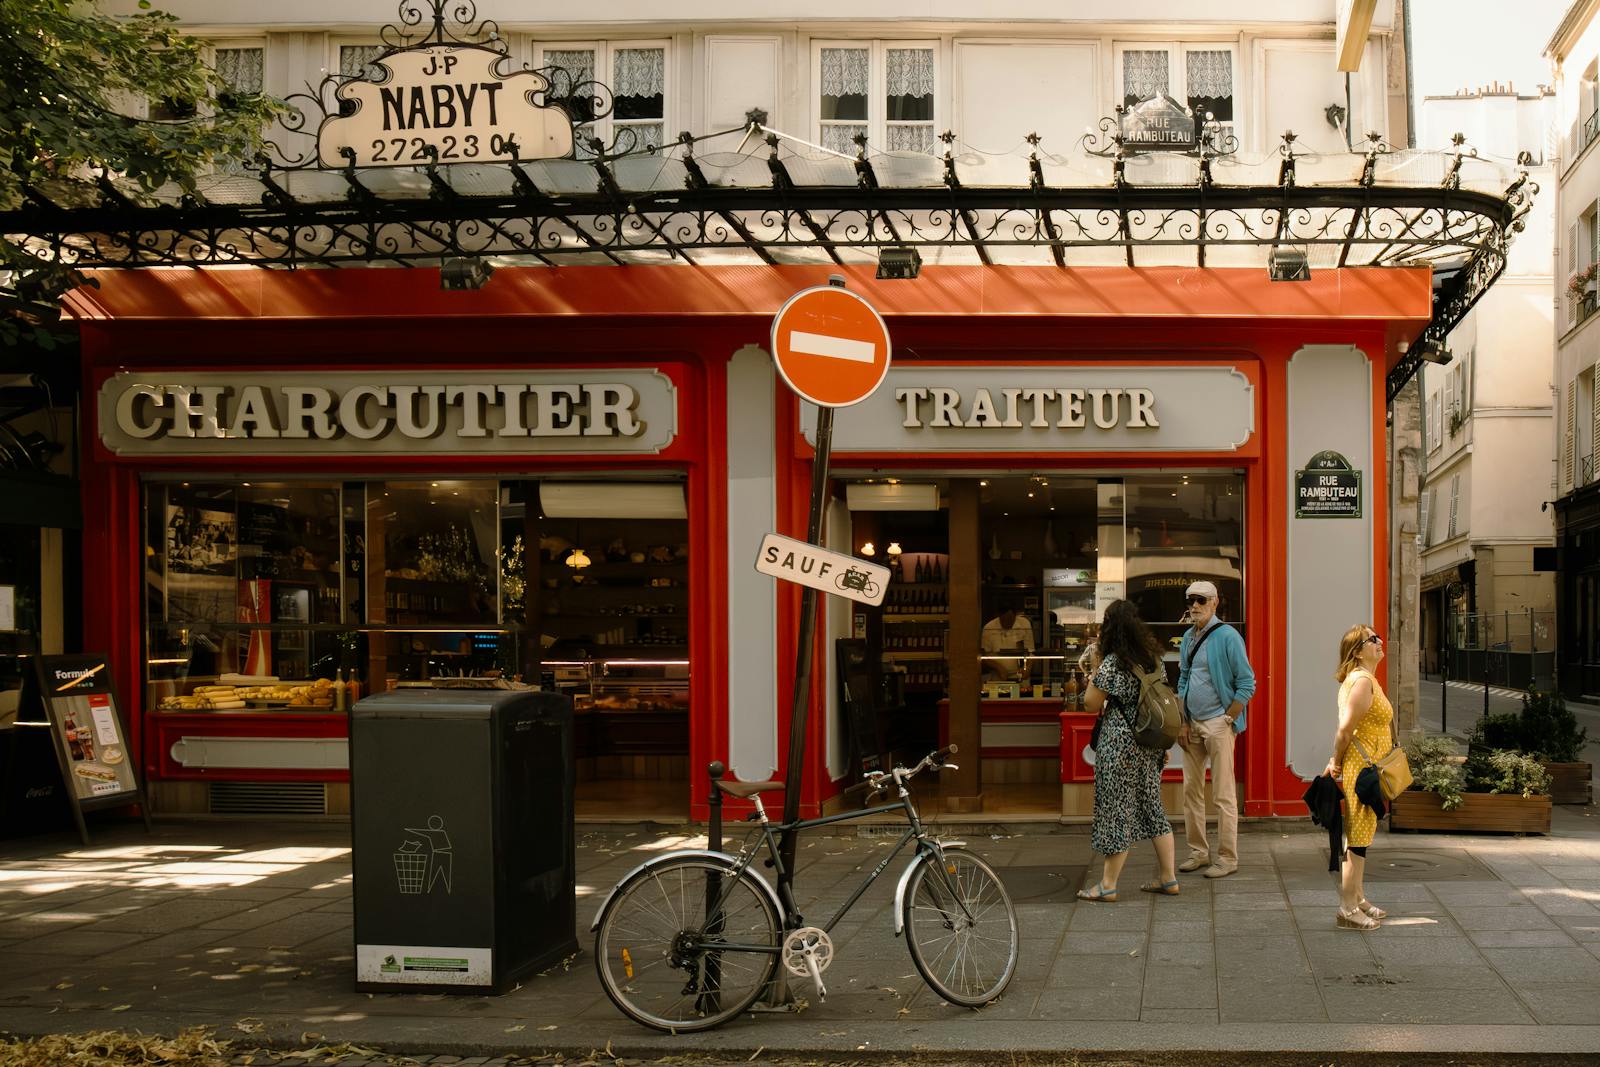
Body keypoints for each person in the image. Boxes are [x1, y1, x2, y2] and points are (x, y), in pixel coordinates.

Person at [1076, 599, 1179, 901]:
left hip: (1120, 743)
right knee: (1153, 807)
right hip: (1149, 742)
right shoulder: (1153, 659)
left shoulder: (1113, 663)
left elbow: (1090, 704)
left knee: (1116, 810)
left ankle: (1108, 884)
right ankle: (1168, 878)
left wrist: (1095, 670)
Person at [1175, 579, 1255, 879]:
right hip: (1192, 723)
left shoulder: (1228, 637)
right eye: (1191, 601)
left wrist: (1227, 718)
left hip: (1218, 723)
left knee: (1223, 795)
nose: (1195, 606)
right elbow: (1182, 679)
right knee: (1191, 792)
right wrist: (1183, 721)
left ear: (1215, 602)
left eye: (1201, 600)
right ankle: (1198, 852)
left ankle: (1227, 857)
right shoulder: (1188, 638)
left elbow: (1247, 682)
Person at [1323, 624, 1391, 931]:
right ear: (1357, 650)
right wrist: (1335, 761)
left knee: (1359, 835)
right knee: (1357, 842)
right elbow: (1345, 730)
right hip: (1361, 768)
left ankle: (1358, 897)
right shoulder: (1362, 681)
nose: (1379, 642)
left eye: (1377, 637)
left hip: (1366, 766)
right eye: (1371, 639)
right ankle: (1347, 908)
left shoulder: (1367, 679)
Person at [980, 603, 1035, 683]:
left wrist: (1027, 668)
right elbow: (984, 656)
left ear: (1015, 616)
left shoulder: (1024, 624)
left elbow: (1030, 651)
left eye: (1010, 619)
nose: (1008, 622)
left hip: (1020, 675)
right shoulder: (989, 628)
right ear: (999, 616)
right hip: (998, 676)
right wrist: (998, 668)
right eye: (1004, 620)